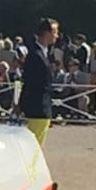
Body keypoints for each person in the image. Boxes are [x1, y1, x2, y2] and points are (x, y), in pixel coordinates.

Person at [18, 17, 58, 147]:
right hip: (38, 109)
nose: (56, 36)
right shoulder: (36, 55)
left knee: (34, 148)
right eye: (55, 32)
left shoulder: (41, 54)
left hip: (39, 108)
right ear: (47, 33)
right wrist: (21, 105)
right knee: (34, 149)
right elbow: (29, 83)